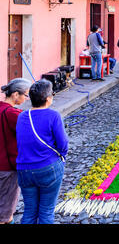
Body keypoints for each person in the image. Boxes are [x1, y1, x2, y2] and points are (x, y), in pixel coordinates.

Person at [16, 79, 68, 224]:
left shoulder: (22, 116)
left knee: (29, 212)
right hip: (48, 167)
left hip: (24, 169)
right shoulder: (53, 116)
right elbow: (63, 144)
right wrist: (61, 157)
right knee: (46, 211)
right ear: (47, 98)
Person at [0, 78, 32, 224]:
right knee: (5, 213)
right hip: (8, 167)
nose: (26, 99)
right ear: (15, 94)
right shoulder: (12, 114)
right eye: (25, 95)